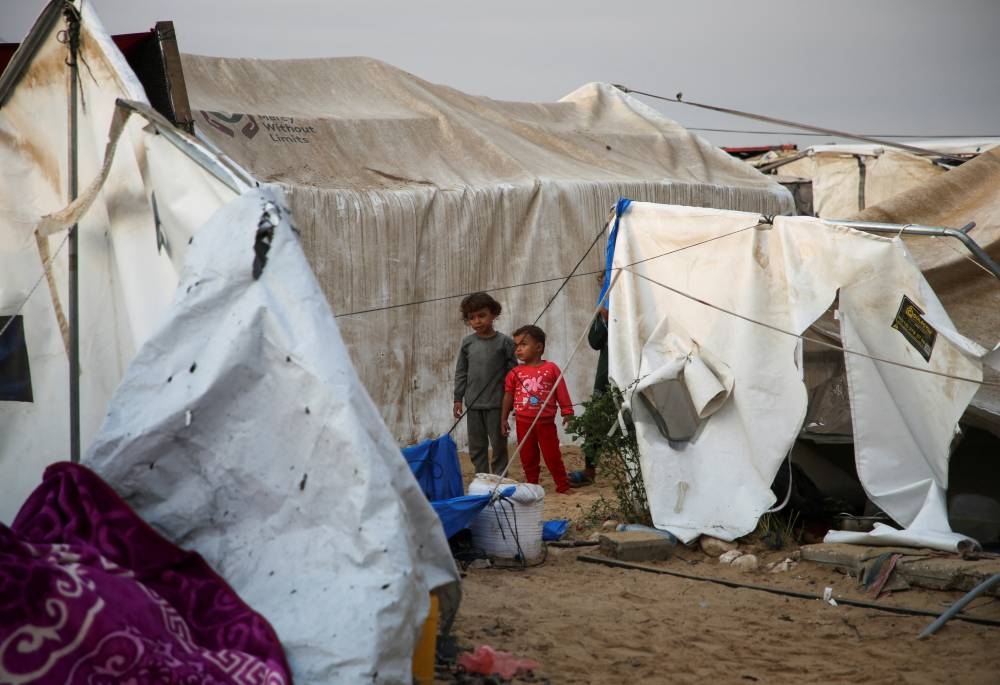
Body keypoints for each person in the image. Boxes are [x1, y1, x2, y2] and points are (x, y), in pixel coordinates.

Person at [500, 325, 574, 494]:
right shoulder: (514, 373)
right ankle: (532, 485)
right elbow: (508, 396)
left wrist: (567, 412)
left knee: (552, 456)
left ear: (539, 347)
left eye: (523, 344)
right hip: (523, 422)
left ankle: (563, 486)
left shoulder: (551, 368)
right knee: (527, 456)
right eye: (516, 345)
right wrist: (503, 419)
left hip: (545, 423)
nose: (518, 349)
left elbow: (561, 390)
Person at [453, 292, 517, 475]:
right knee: (476, 445)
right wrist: (458, 398)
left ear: (493, 314)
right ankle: (481, 476)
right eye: (472, 318)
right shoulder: (468, 344)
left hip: (497, 404)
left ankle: (499, 477)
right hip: (473, 404)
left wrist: (512, 400)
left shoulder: (505, 343)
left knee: (498, 444)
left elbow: (513, 375)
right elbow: (461, 373)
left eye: (482, 315)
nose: (477, 321)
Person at [568, 305, 607, 487]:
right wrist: (604, 320)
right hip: (606, 376)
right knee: (595, 420)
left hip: (635, 370)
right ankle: (589, 470)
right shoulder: (603, 312)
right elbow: (594, 341)